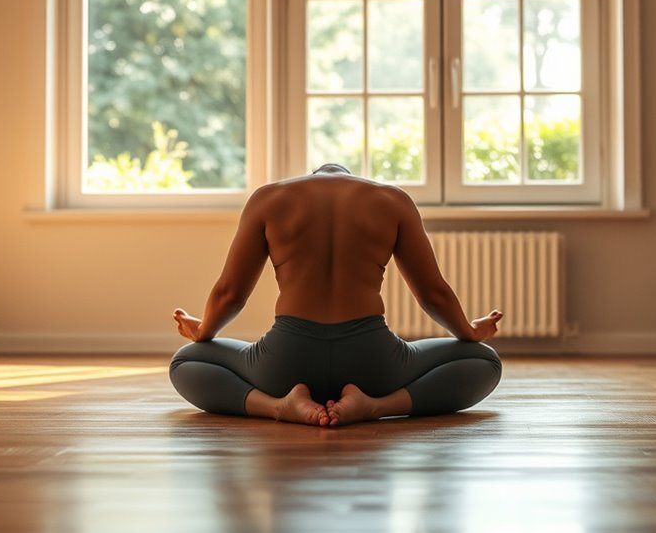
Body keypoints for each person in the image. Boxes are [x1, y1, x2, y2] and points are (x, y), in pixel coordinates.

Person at [169, 163, 503, 427]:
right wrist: (470, 332)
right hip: (374, 364)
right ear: (351, 176)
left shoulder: (268, 198)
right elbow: (434, 295)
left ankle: (280, 406)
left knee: (185, 360)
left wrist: (203, 331)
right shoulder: (391, 199)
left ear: (314, 175)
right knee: (485, 360)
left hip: (285, 363)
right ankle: (376, 406)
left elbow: (230, 294)